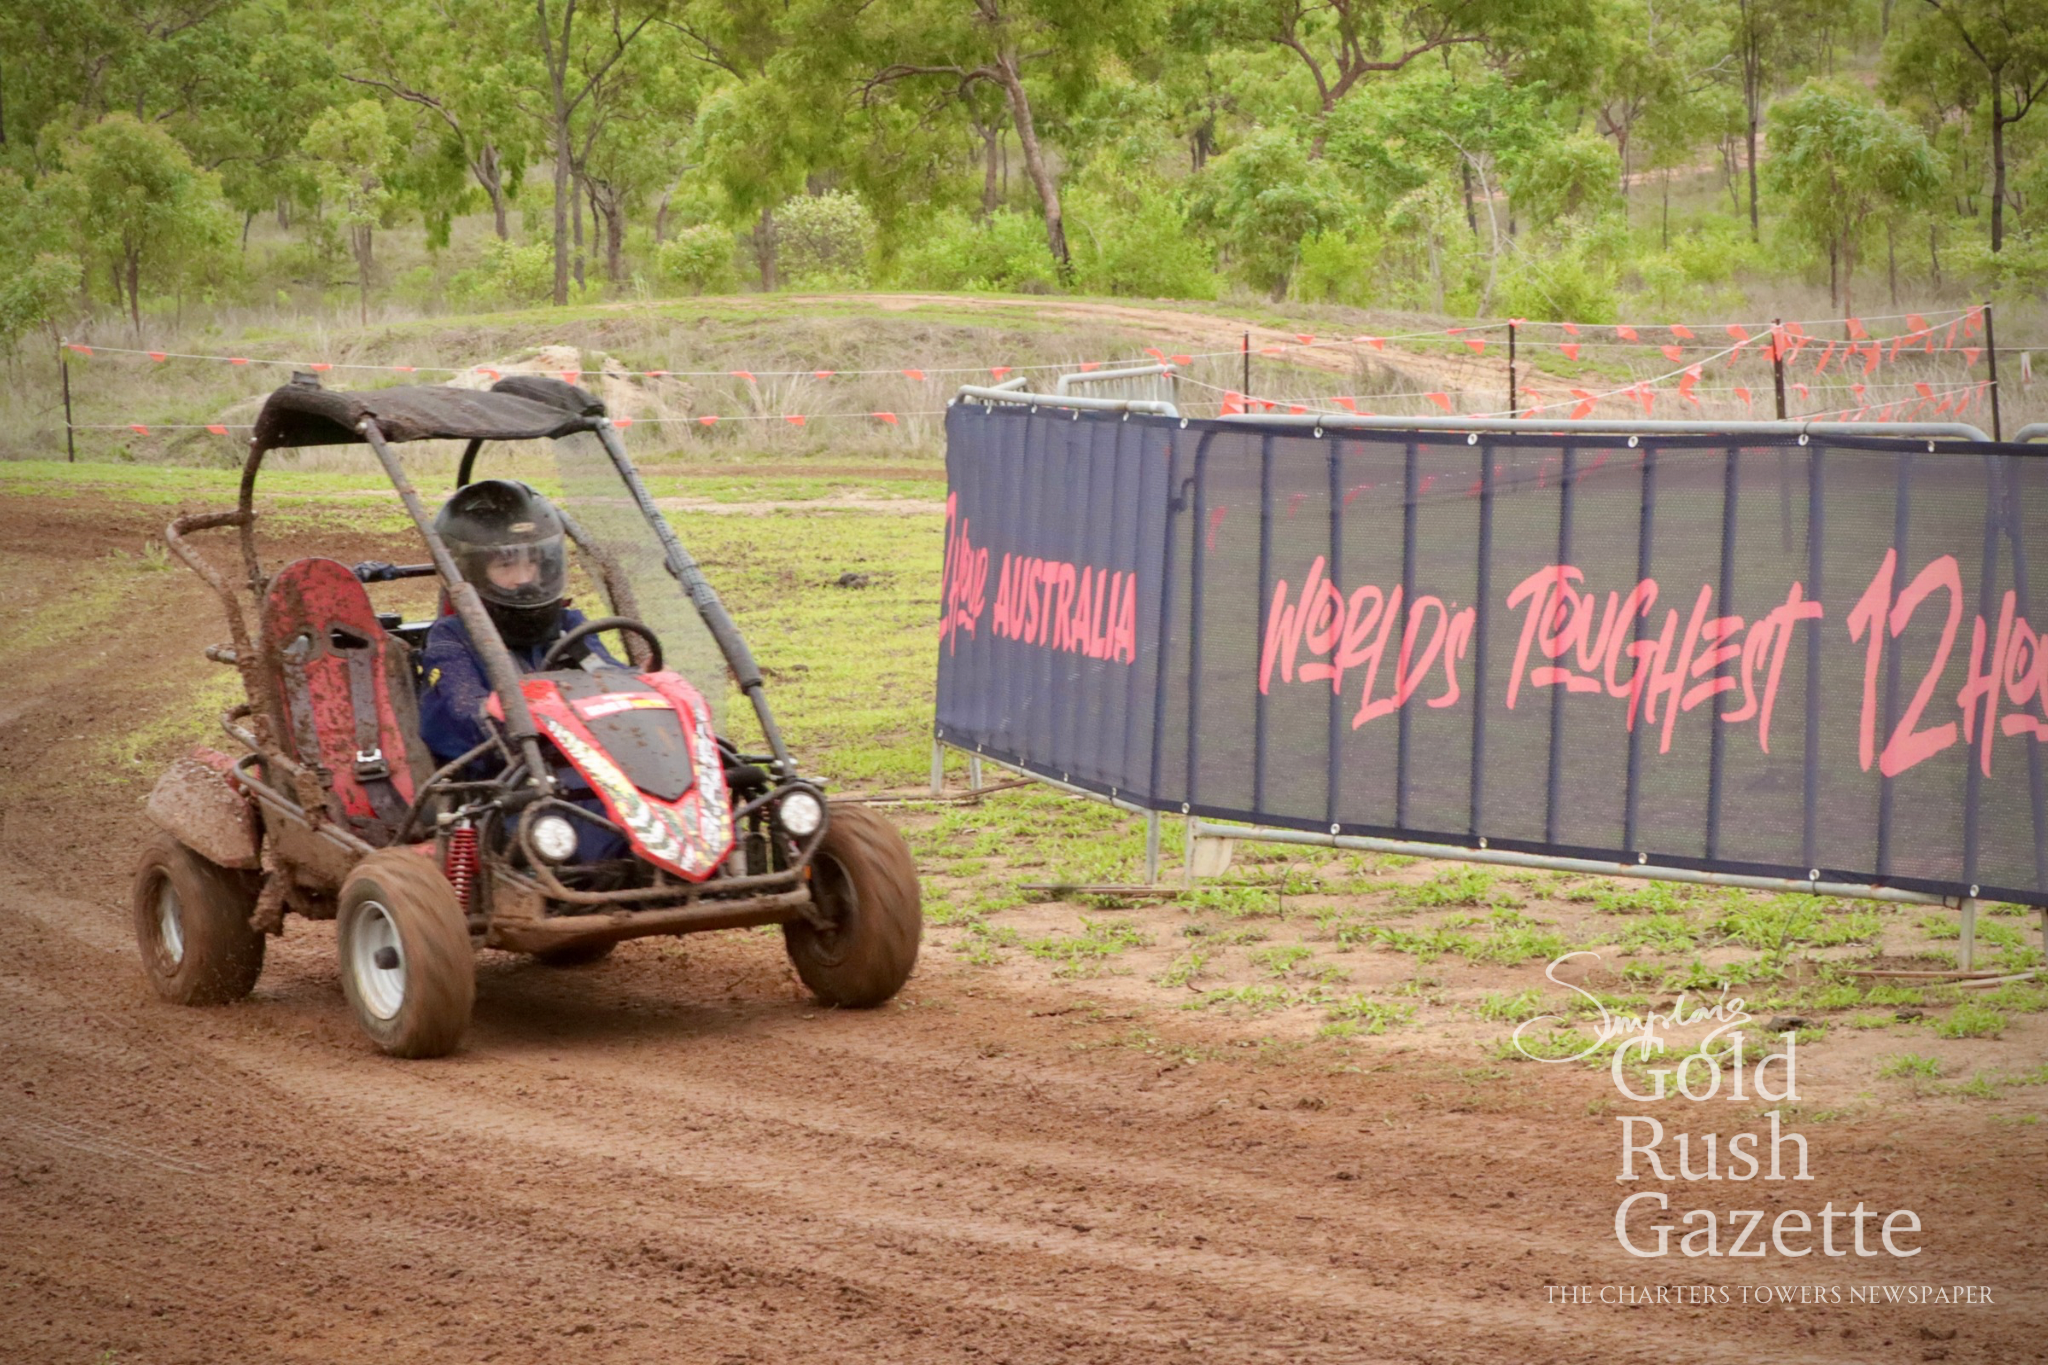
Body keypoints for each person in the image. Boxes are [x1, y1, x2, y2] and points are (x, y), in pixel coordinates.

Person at [418, 478, 621, 768]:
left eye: (532, 563)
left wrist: (644, 682)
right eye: (506, 565)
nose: (524, 578)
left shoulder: (568, 625)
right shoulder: (452, 637)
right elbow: (463, 714)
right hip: (503, 785)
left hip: (582, 768)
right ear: (473, 571)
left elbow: (607, 675)